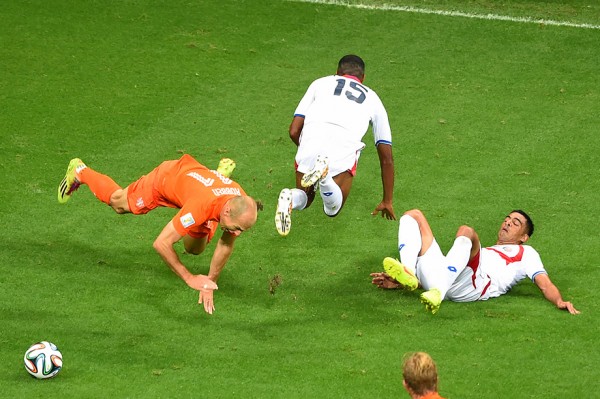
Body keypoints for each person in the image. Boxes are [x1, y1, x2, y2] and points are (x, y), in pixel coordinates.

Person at [57, 155, 257, 315]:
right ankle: (81, 171)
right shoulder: (200, 207)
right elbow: (161, 243)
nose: (237, 233)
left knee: (194, 248)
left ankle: (217, 177)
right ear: (228, 211)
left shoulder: (239, 202)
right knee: (118, 204)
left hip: (201, 191)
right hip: (165, 180)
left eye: (241, 230)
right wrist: (189, 278)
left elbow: (225, 244)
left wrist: (209, 282)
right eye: (237, 228)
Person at [371, 209, 580, 315]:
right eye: (507, 219)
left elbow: (545, 284)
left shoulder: (527, 253)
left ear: (523, 237)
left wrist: (559, 301)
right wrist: (398, 282)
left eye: (515, 223)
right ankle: (409, 274)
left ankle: (437, 292)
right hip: (447, 276)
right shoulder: (487, 251)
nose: (508, 222)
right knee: (413, 215)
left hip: (473, 286)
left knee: (467, 232)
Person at [275, 54, 396, 236]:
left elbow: (293, 130)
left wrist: (307, 149)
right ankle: (324, 178)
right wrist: (387, 200)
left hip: (310, 141)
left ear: (337, 72)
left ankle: (290, 197)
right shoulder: (373, 99)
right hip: (342, 148)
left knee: (305, 198)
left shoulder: (319, 83)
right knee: (333, 210)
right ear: (362, 78)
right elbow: (386, 158)